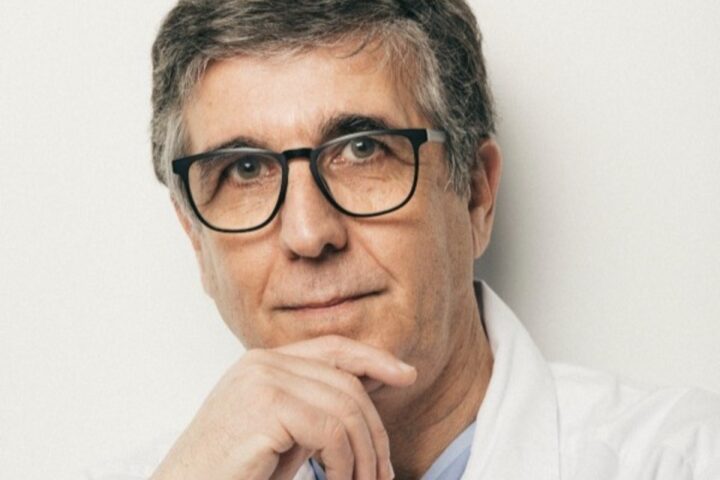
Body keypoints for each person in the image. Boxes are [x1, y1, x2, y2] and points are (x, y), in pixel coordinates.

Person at [124, 1, 720, 479]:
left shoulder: (686, 461)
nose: (308, 234)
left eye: (362, 150)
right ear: (196, 241)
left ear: (476, 195)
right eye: (246, 170)